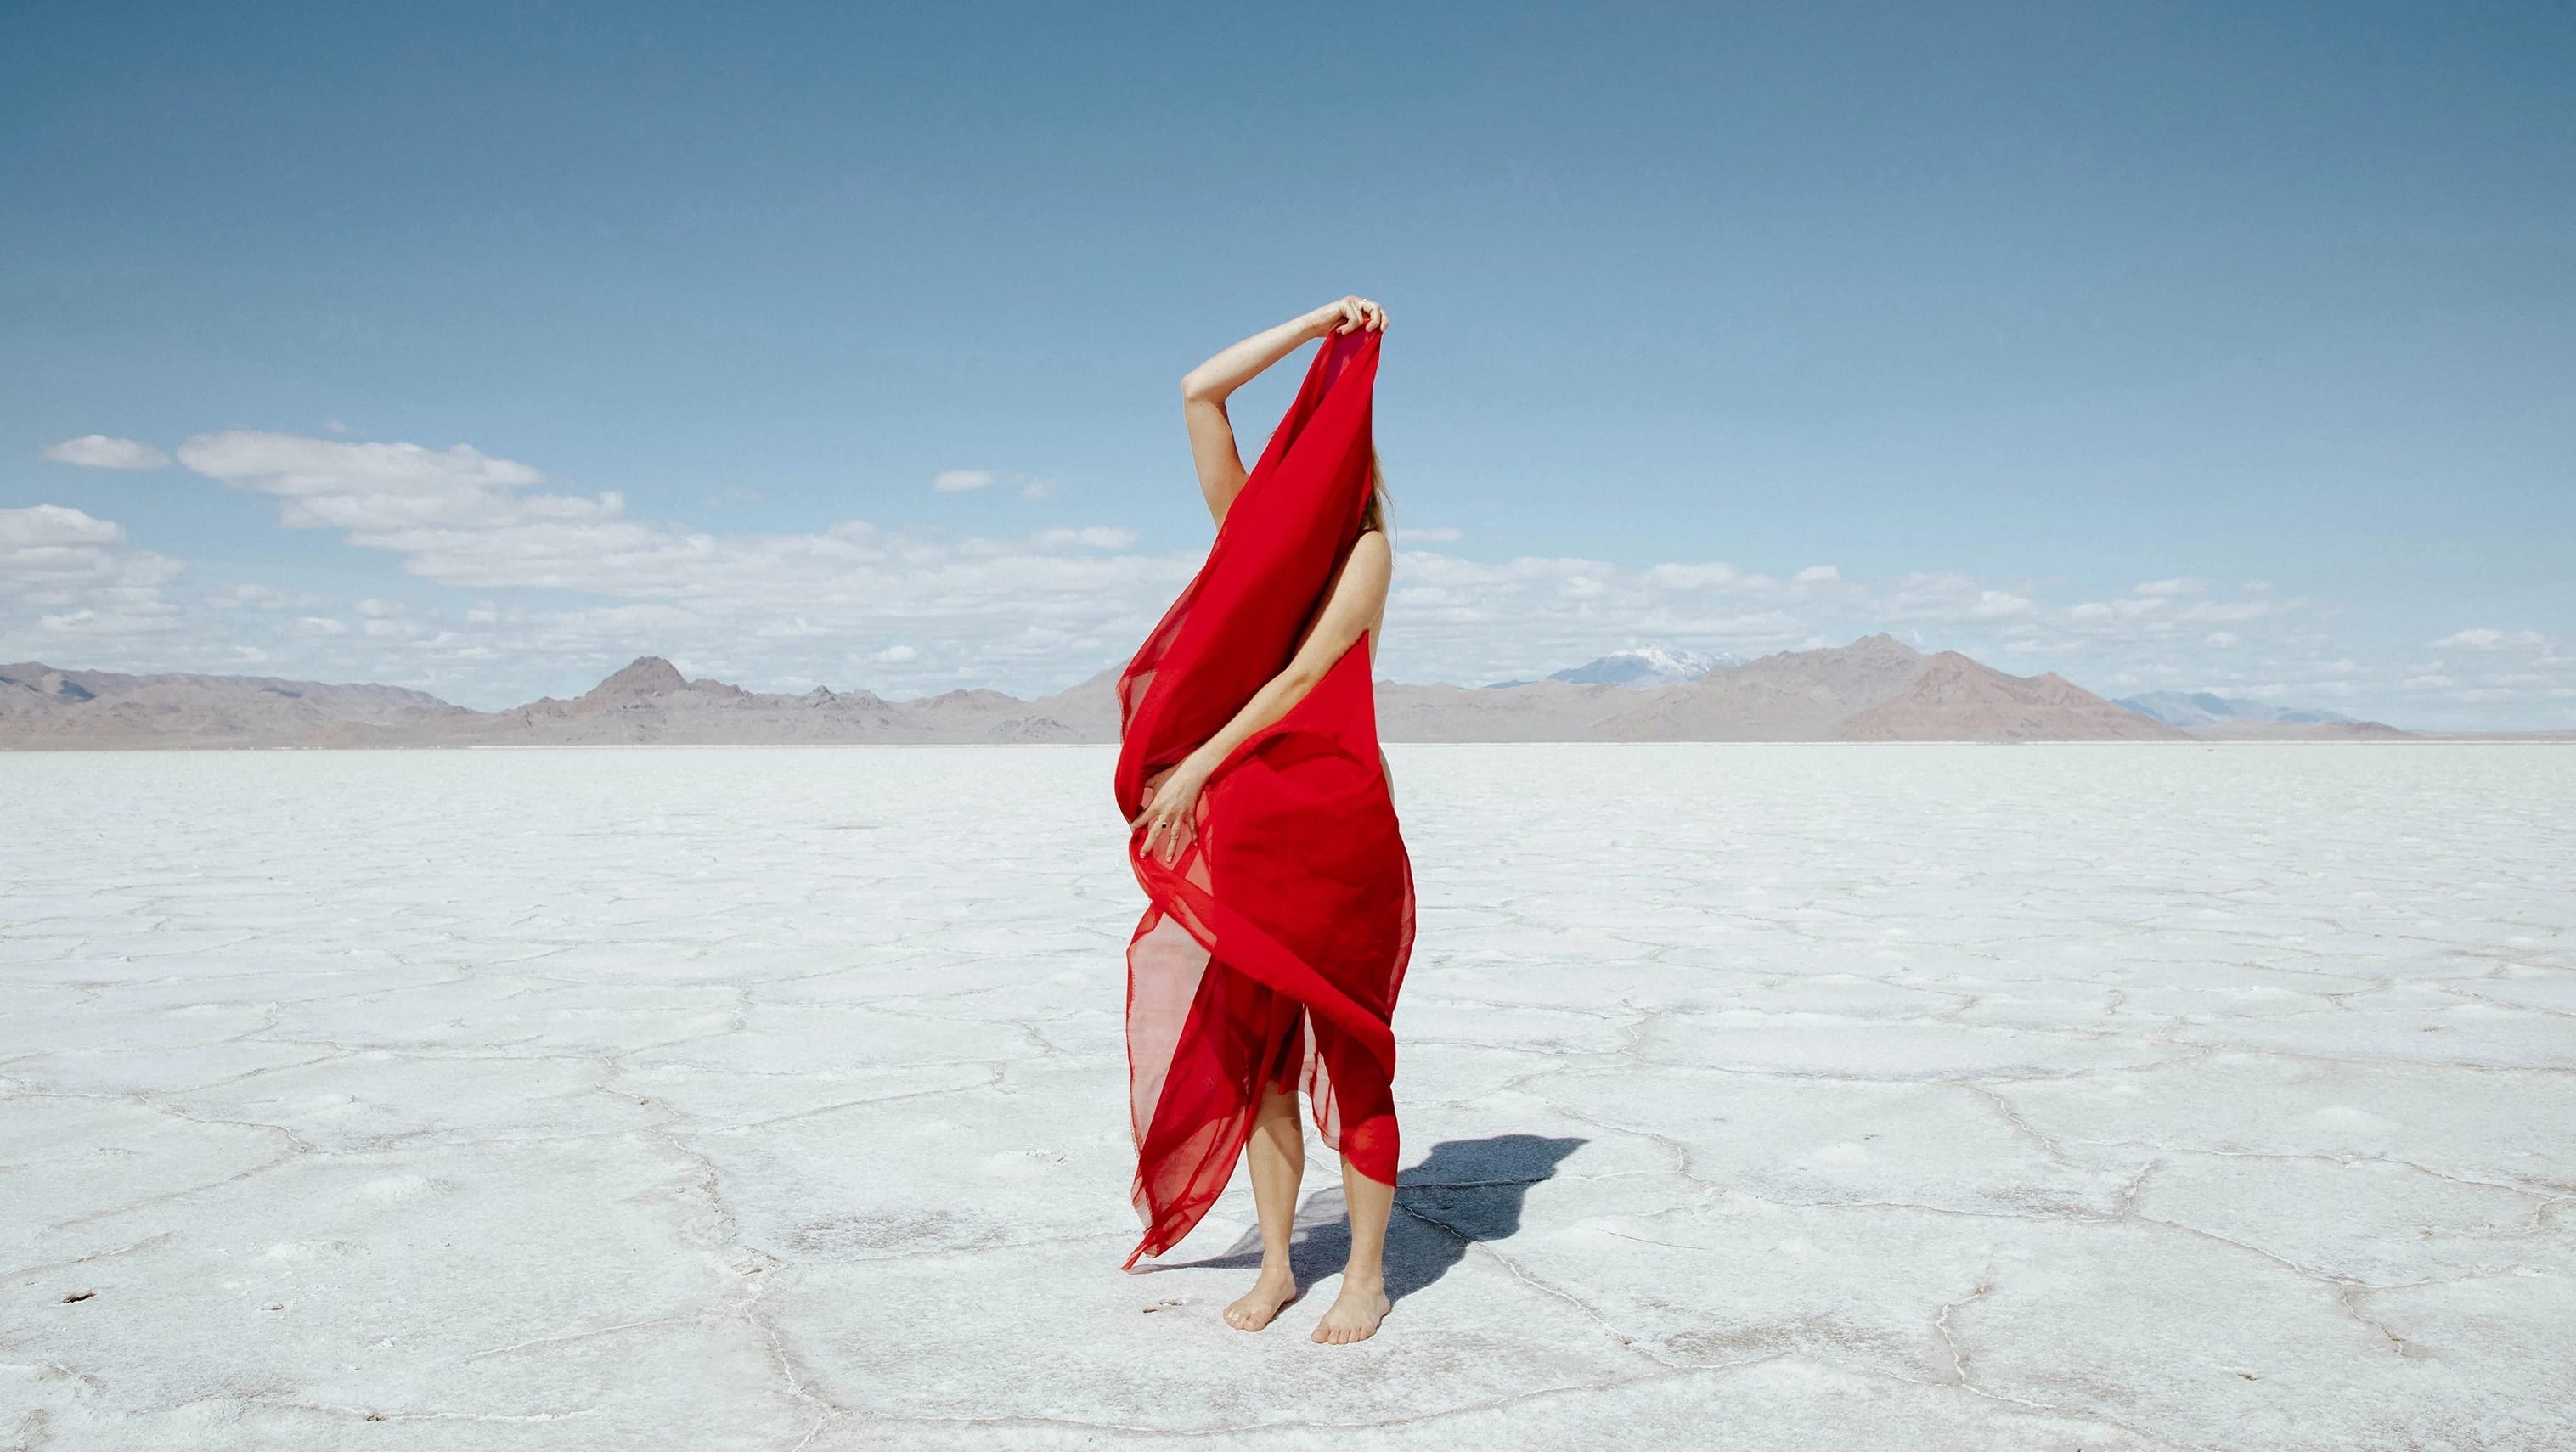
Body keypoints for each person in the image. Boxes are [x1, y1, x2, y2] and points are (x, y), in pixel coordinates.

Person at [1114, 297, 1416, 1345]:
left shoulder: (1366, 554)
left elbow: (1296, 683)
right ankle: (1282, 1267)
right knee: (1266, 1066)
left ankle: (1365, 1278)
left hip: (1335, 829)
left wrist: (1196, 765)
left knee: (1352, 1050)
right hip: (1250, 832)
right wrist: (1313, 327)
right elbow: (1200, 391)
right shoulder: (1256, 535)